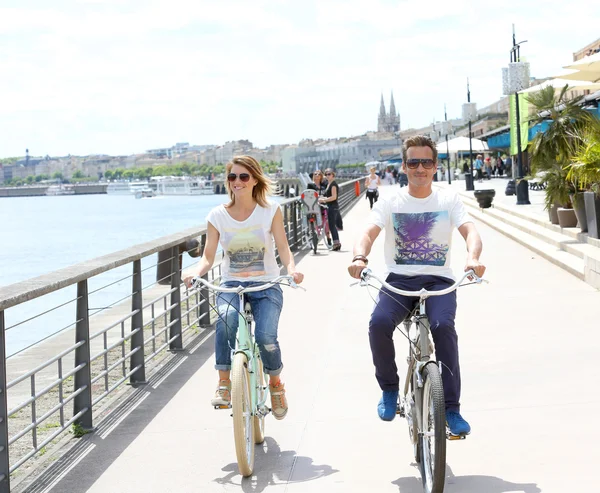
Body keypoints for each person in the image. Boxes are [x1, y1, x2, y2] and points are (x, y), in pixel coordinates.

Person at [347, 135, 486, 437]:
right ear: (404, 166)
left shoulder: (448, 199)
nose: (420, 168)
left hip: (439, 281)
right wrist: (360, 257)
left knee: (443, 328)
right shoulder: (391, 200)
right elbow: (368, 232)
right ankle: (389, 389)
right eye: (413, 162)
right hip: (399, 280)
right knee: (378, 323)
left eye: (426, 162)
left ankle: (451, 408)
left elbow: (470, 231)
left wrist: (473, 258)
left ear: (435, 166)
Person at [183, 155, 304, 420]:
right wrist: (195, 272)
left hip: (266, 284)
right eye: (232, 177)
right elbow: (208, 256)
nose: (237, 182)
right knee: (226, 320)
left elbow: (283, 247)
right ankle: (225, 383)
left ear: (254, 179)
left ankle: (275, 385)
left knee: (265, 337)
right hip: (232, 285)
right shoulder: (217, 216)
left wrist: (292, 270)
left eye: (243, 176)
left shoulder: (270, 210)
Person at [319, 169, 341, 251]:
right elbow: (329, 196)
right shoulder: (329, 184)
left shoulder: (333, 184)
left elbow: (334, 197)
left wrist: (324, 200)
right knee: (332, 226)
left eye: (329, 174)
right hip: (330, 206)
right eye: (326, 174)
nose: (327, 176)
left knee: (332, 226)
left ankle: (336, 244)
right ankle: (336, 243)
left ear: (333, 175)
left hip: (332, 207)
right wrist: (322, 198)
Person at [313, 169, 332, 246]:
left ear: (321, 176)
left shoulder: (324, 184)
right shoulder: (310, 185)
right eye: (315, 174)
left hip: (323, 206)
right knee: (316, 224)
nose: (317, 175)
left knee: (326, 224)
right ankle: (316, 238)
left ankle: (328, 238)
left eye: (318, 174)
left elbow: (328, 193)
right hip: (314, 207)